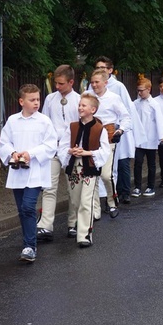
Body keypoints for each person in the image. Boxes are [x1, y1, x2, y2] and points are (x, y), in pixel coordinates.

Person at [0, 84, 57, 262]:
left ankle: (30, 246)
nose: (36, 103)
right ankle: (27, 241)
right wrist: (12, 153)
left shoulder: (44, 121)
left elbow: (50, 145)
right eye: (32, 100)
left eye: (38, 99)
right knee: (22, 210)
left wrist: (31, 154)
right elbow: (4, 142)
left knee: (28, 207)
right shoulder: (12, 120)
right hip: (18, 172)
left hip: (36, 172)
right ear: (21, 101)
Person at [58, 93, 110, 247]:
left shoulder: (100, 129)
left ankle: (84, 235)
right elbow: (62, 145)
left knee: (86, 201)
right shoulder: (73, 127)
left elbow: (105, 150)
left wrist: (88, 153)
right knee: (75, 200)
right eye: (79, 105)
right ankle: (73, 224)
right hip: (74, 166)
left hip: (90, 167)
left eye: (84, 105)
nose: (80, 107)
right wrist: (70, 151)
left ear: (93, 109)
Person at [37, 65, 81, 242]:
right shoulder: (50, 99)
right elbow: (44, 122)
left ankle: (74, 223)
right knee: (49, 187)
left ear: (71, 82)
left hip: (72, 150)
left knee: (74, 188)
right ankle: (46, 226)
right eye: (56, 83)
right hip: (53, 149)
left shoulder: (79, 100)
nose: (57, 86)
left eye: (61, 83)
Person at [92, 57, 144, 206]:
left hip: (110, 134)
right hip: (93, 137)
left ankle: (114, 198)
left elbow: (127, 111)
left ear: (109, 70)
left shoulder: (117, 88)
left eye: (103, 68)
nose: (100, 71)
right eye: (97, 67)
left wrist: (122, 130)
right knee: (95, 170)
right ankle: (96, 204)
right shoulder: (89, 92)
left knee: (111, 170)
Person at [87, 69, 132, 218]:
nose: (94, 85)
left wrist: (121, 131)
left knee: (106, 175)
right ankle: (95, 209)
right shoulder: (87, 97)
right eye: (92, 82)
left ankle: (112, 202)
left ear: (105, 82)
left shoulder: (113, 98)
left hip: (108, 139)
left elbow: (126, 117)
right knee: (92, 174)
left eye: (97, 82)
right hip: (91, 139)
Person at [133, 77, 163, 197]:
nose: (139, 92)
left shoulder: (154, 104)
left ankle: (150, 186)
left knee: (151, 164)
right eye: (138, 90)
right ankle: (137, 187)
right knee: (138, 162)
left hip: (151, 138)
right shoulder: (135, 103)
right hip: (139, 139)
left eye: (142, 90)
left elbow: (160, 121)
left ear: (148, 89)